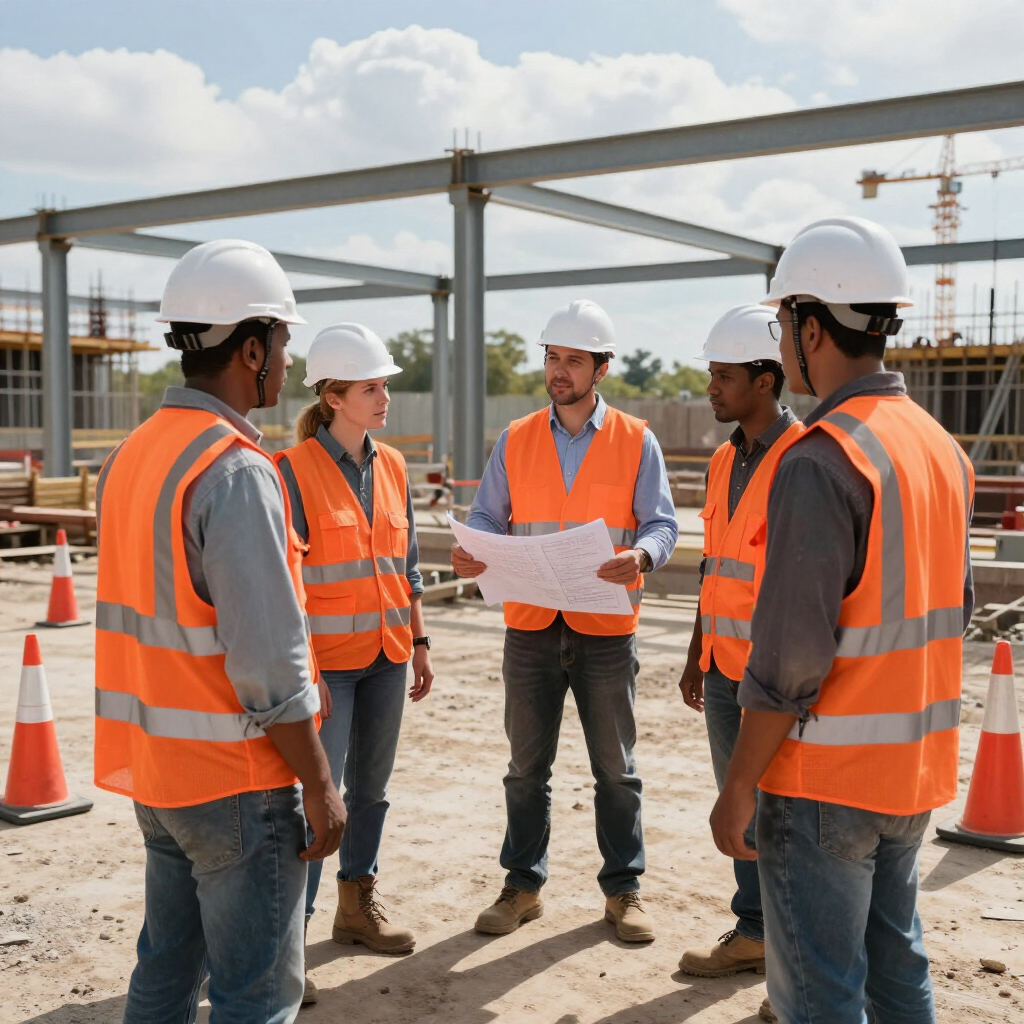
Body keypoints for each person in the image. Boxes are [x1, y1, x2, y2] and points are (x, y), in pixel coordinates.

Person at [709, 216, 974, 1024]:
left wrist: (739, 787)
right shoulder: (937, 446)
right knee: (898, 970)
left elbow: (789, 659)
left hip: (825, 782)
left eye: (785, 320)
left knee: (821, 994)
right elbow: (951, 610)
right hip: (913, 770)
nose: (782, 340)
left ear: (811, 327)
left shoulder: (821, 458)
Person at [94, 239, 346, 1024]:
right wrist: (321, 783)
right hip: (237, 780)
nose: (285, 359)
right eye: (281, 343)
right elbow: (267, 661)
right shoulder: (234, 470)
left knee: (164, 976)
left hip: (159, 771)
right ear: (249, 347)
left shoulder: (134, 454)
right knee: (256, 998)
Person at [452, 299, 678, 942]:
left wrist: (641, 555)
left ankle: (624, 891)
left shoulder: (638, 439)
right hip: (529, 626)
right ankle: (522, 886)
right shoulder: (516, 438)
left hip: (605, 630)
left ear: (600, 368)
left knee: (617, 769)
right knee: (526, 768)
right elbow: (491, 517)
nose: (559, 370)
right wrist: (476, 548)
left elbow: (662, 523)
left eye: (573, 360)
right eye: (552, 357)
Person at [275, 323, 434, 972]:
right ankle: (291, 948)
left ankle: (356, 905)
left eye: (384, 385)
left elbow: (409, 565)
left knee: (372, 791)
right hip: (327, 667)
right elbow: (285, 580)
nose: (384, 397)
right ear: (334, 397)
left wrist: (419, 642)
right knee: (323, 799)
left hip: (389, 656)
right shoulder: (291, 471)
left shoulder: (392, 465)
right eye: (371, 387)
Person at [676, 305, 802, 979]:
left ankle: (793, 961)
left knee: (783, 818)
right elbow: (714, 559)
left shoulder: (802, 459)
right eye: (710, 375)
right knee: (738, 807)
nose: (712, 388)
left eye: (723, 377)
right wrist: (697, 650)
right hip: (724, 666)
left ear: (764, 379)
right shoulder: (725, 460)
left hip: (778, 679)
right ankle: (753, 932)